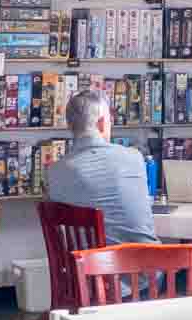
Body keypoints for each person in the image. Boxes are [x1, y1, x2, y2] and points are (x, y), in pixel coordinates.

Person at [43, 88, 155, 244]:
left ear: (70, 125)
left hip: (85, 266)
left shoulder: (53, 172)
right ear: (102, 124)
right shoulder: (134, 158)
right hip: (142, 265)